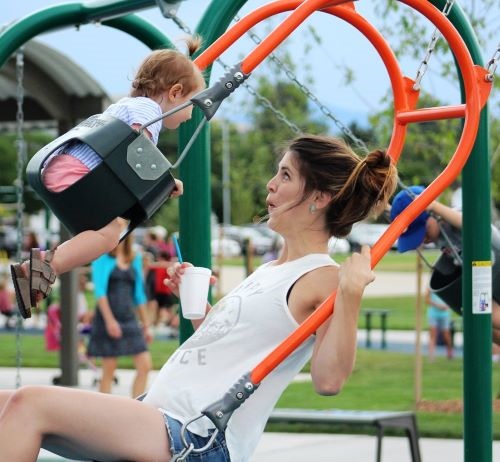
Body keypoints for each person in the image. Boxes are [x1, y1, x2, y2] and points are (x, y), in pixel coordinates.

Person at [0, 134, 397, 462]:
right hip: (160, 418)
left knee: (30, 403)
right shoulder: (271, 270)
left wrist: (350, 294)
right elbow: (226, 351)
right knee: (5, 402)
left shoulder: (322, 277)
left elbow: (329, 381)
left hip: (194, 436)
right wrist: (198, 309)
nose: (271, 185)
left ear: (320, 198)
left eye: (286, 175)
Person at [10, 37, 206, 319]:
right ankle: (39, 268)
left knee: (106, 230)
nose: (191, 113)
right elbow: (136, 151)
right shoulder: (148, 110)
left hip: (67, 168)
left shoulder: (126, 104)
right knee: (112, 233)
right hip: (78, 173)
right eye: (192, 103)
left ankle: (42, 268)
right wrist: (165, 183)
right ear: (175, 92)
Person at [390, 185, 500, 345]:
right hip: (484, 278)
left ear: (434, 214)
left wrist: (434, 205)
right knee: (481, 323)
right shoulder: (438, 234)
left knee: (487, 314)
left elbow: (473, 225)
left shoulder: (451, 220)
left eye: (424, 231)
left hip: (495, 263)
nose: (424, 239)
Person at [88, 234, 153, 397]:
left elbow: (139, 294)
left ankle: (135, 406)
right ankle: (104, 416)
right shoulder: (101, 258)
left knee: (145, 366)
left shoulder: (135, 258)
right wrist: (110, 321)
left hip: (129, 318)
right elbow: (100, 292)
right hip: (107, 318)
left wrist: (146, 324)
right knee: (109, 370)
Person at [425, 286, 453, 360]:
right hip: (433, 314)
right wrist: (438, 305)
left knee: (446, 334)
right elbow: (427, 300)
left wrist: (447, 306)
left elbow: (452, 299)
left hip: (444, 314)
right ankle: (431, 356)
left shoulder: (447, 286)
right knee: (433, 334)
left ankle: (450, 352)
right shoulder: (430, 287)